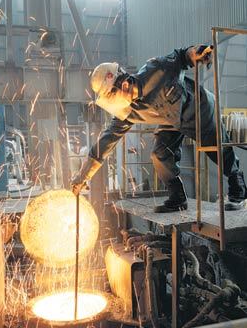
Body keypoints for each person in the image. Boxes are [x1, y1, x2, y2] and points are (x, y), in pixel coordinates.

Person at [71, 45, 247, 212]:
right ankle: (178, 197)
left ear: (123, 85)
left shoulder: (156, 69)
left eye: (112, 96)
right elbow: (107, 139)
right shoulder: (127, 109)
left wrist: (194, 53)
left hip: (199, 109)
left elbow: (180, 56)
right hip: (171, 121)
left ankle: (239, 189)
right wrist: (83, 176)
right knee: (160, 154)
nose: (114, 103)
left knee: (216, 148)